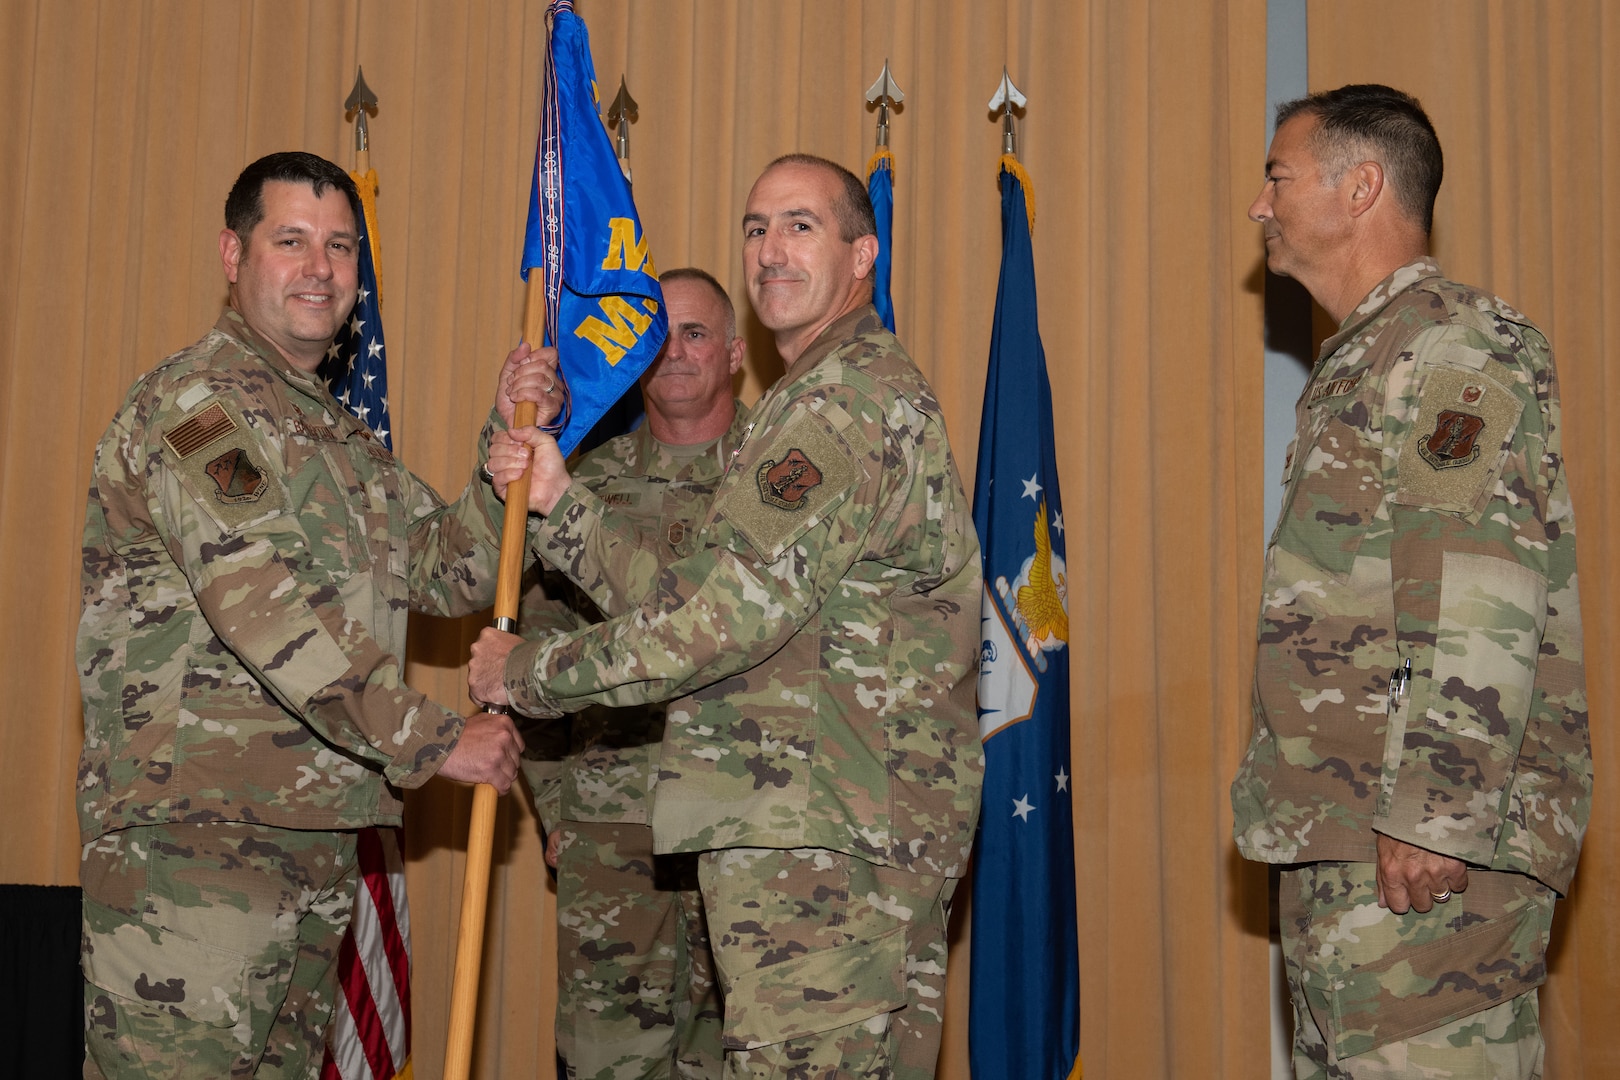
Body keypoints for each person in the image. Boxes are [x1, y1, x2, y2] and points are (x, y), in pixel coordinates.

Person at [473, 154, 983, 1079]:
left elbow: (708, 625)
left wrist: (524, 674)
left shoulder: (837, 404)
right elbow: (710, 598)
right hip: (833, 834)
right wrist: (562, 499)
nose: (771, 251)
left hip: (821, 849)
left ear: (862, 254)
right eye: (756, 228)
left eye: (800, 226)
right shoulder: (829, 392)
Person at [76, 150, 554, 1078]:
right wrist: (432, 739)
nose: (322, 269)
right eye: (291, 241)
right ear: (232, 254)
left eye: (340, 247)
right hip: (198, 843)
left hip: (312, 840)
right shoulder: (200, 406)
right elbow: (265, 609)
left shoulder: (336, 436)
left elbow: (442, 566)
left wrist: (505, 458)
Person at [1231, 85, 1590, 1078]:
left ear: (1361, 186)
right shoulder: (1363, 361)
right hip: (1350, 853)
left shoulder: (1450, 343)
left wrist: (1436, 812)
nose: (1260, 205)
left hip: (1422, 863)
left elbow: (1482, 583)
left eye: (1277, 176)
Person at [517, 267, 744, 1079]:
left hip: (749, 830)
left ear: (737, 353)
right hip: (615, 835)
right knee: (610, 1061)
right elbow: (529, 659)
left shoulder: (780, 481)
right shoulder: (578, 487)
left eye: (697, 333)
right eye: (661, 334)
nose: (676, 352)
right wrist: (557, 809)